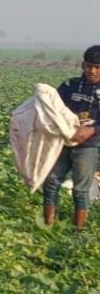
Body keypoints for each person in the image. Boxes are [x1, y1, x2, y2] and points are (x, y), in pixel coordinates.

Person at [42, 45, 100, 229]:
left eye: (98, 67)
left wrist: (92, 130)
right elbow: (54, 108)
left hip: (87, 145)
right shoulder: (69, 85)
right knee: (51, 182)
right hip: (63, 142)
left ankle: (78, 230)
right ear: (83, 65)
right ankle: (47, 225)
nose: (93, 70)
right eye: (89, 66)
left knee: (81, 189)